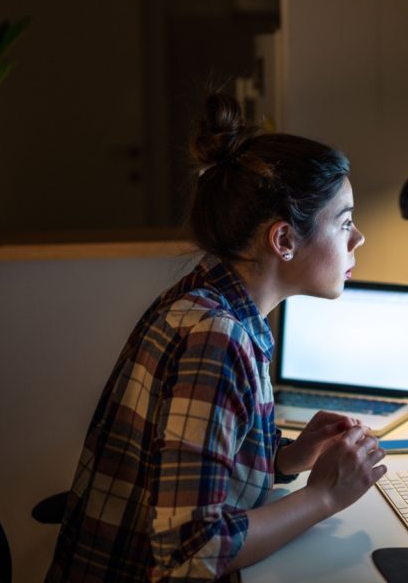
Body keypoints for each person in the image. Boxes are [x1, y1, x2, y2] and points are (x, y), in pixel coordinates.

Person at [46, 93, 385, 582]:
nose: (359, 239)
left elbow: (200, 460)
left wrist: (288, 457)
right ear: (284, 240)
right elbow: (190, 552)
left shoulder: (216, 297)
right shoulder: (217, 338)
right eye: (345, 221)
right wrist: (323, 497)